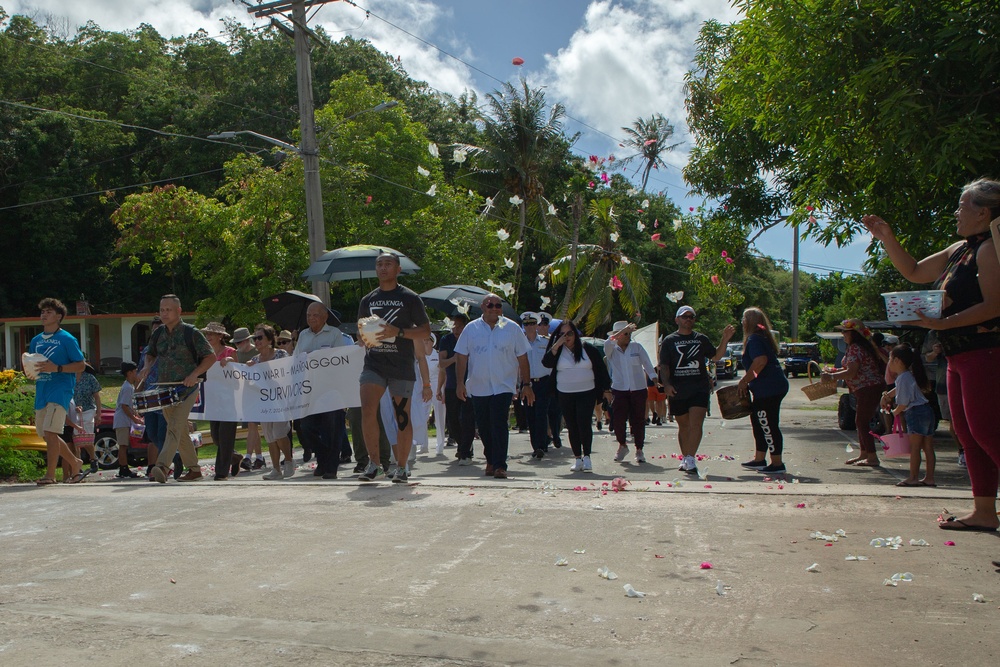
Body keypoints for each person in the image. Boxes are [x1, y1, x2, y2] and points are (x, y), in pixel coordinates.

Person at [864, 180, 1000, 533]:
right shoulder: (960, 249)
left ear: (984, 213)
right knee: (969, 436)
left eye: (963, 205)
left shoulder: (989, 249)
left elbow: (994, 305)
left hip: (985, 353)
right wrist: (886, 238)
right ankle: (985, 511)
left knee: (989, 435)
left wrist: (942, 323)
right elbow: (914, 272)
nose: (957, 212)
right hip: (958, 357)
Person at [357, 252, 431, 483]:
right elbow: (361, 333)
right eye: (379, 264)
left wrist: (396, 332)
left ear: (398, 269)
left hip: (401, 364)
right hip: (375, 363)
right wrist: (368, 336)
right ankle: (374, 464)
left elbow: (425, 331)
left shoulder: (410, 298)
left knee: (402, 416)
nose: (383, 268)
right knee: (367, 408)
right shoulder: (367, 300)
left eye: (388, 264)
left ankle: (401, 466)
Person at [455, 294, 534, 479]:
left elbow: (523, 357)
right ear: (483, 307)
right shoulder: (471, 328)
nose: (495, 308)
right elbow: (461, 356)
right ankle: (490, 459)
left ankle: (500, 465)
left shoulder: (512, 328)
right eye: (490, 305)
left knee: (499, 423)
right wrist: (459, 382)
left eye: (498, 305)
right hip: (479, 386)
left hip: (503, 386)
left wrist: (527, 384)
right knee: (483, 426)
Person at [138, 294, 215, 483]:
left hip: (187, 389)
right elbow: (151, 354)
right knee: (179, 431)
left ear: (179, 311)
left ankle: (162, 466)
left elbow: (210, 357)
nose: (164, 313)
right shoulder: (158, 333)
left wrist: (194, 374)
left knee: (173, 426)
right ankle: (195, 469)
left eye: (168, 309)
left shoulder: (191, 332)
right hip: (164, 389)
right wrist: (148, 366)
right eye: (162, 309)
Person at [658, 305, 736, 476]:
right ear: (677, 319)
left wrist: (725, 339)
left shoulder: (701, 339)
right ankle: (685, 457)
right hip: (678, 389)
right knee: (683, 425)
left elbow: (715, 357)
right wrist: (667, 384)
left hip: (698, 387)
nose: (688, 319)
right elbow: (664, 366)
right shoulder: (669, 341)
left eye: (691, 316)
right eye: (685, 316)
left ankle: (690, 458)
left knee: (696, 423)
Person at [30, 297, 87, 485]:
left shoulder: (67, 339)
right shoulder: (36, 340)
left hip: (60, 390)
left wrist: (59, 368)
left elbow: (80, 365)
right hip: (42, 391)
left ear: (59, 316)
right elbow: (32, 363)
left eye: (49, 312)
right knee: (47, 435)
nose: (44, 315)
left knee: (51, 432)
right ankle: (76, 462)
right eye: (42, 312)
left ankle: (50, 475)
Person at [543, 319, 611, 473]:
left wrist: (607, 389)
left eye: (569, 333)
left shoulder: (588, 349)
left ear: (575, 334)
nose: (566, 337)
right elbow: (546, 363)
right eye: (562, 334)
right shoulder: (557, 350)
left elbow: (601, 369)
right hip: (565, 393)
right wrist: (556, 345)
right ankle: (577, 458)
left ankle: (587, 456)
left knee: (584, 422)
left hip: (586, 391)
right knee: (572, 425)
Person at [294, 301, 349, 480]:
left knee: (332, 427)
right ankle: (323, 458)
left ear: (325, 317)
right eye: (309, 315)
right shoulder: (303, 335)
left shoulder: (334, 334)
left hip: (331, 389)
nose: (311, 318)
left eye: (315, 315)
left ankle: (330, 467)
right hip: (309, 389)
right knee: (306, 427)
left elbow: (341, 359)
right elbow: (295, 360)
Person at [822, 319, 886, 467]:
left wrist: (831, 376)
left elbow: (851, 372)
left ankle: (872, 456)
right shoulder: (857, 347)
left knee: (862, 422)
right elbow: (851, 369)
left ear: (853, 333)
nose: (842, 334)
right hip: (864, 389)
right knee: (860, 421)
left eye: (844, 331)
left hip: (868, 388)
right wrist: (835, 371)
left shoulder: (856, 348)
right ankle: (864, 453)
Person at [736, 308, 790, 475]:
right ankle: (759, 459)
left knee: (767, 423)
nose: (742, 322)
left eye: (744, 319)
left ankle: (777, 462)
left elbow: (760, 361)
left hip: (769, 388)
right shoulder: (762, 338)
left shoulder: (754, 339)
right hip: (769, 387)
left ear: (750, 321)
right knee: (759, 421)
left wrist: (745, 381)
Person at [882, 344, 936, 487]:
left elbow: (903, 403)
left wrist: (895, 412)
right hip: (927, 411)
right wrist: (887, 396)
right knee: (928, 447)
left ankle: (913, 477)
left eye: (890, 359)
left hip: (916, 412)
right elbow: (897, 390)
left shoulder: (902, 377)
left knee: (915, 448)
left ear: (897, 361)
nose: (889, 363)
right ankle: (930, 478)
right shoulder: (908, 375)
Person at [604, 321, 658, 464]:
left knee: (638, 420)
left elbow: (646, 363)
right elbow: (607, 344)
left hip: (638, 389)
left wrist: (653, 377)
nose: (628, 336)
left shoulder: (637, 347)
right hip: (619, 389)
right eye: (625, 334)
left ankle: (639, 449)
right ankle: (622, 445)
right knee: (619, 420)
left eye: (629, 333)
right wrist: (620, 333)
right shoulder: (611, 349)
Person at [246, 325, 296, 480]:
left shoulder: (281, 354)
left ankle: (288, 461)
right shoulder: (254, 360)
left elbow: (289, 372)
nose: (257, 341)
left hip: (281, 400)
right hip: (264, 402)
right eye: (255, 338)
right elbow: (250, 382)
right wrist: (248, 370)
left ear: (269, 339)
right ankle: (276, 469)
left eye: (260, 337)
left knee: (279, 433)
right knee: (269, 437)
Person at [200, 322, 241, 481]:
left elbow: (238, 374)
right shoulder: (205, 354)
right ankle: (234, 457)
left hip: (229, 401)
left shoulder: (230, 352)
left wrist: (229, 361)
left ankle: (221, 472)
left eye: (212, 334)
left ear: (220, 336)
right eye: (207, 334)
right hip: (213, 401)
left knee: (225, 436)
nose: (208, 336)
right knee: (216, 436)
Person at [437, 314, 476, 464]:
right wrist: (455, 358)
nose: (456, 329)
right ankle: (463, 444)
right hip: (452, 385)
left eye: (459, 326)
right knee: (453, 421)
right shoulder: (447, 340)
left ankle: (465, 451)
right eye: (453, 326)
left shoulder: (471, 338)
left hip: (469, 384)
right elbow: (441, 363)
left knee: (467, 418)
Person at [520, 312, 553, 459]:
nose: (530, 327)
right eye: (526, 324)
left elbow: (551, 363)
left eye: (532, 324)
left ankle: (540, 445)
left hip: (544, 382)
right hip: (528, 383)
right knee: (531, 415)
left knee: (541, 413)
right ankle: (536, 445)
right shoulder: (520, 343)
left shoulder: (546, 342)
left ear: (537, 325)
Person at [232, 327, 265, 471]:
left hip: (260, 392)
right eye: (236, 343)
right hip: (246, 393)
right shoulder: (237, 354)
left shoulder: (256, 352)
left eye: (239, 342)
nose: (238, 346)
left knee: (253, 425)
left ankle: (248, 456)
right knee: (252, 426)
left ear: (247, 340)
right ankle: (258, 457)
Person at [137, 315, 166, 478]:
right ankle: (173, 456)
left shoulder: (169, 347)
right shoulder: (147, 350)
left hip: (164, 395)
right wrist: (137, 394)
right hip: (148, 396)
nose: (156, 332)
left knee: (162, 433)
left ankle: (162, 467)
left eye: (159, 329)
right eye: (154, 329)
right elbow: (140, 373)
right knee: (152, 434)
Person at [113, 361, 143, 479]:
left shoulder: (129, 387)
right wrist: (134, 419)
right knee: (123, 445)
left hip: (125, 420)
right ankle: (123, 468)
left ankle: (124, 467)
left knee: (124, 445)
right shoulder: (127, 388)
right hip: (122, 421)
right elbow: (124, 406)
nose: (136, 373)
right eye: (135, 371)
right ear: (129, 373)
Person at [72, 363, 102, 474]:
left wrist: (99, 413)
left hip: (88, 410)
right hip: (74, 411)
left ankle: (93, 458)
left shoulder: (90, 378)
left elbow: (97, 397)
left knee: (86, 436)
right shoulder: (69, 378)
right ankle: (78, 463)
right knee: (75, 438)